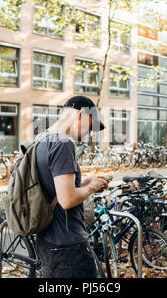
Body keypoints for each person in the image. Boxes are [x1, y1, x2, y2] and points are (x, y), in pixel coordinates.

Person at [34, 96, 108, 278]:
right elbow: (66, 200)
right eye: (91, 126)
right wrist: (92, 188)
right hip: (69, 246)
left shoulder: (42, 138)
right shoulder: (63, 143)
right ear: (82, 114)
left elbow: (53, 189)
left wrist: (83, 183)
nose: (89, 133)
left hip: (46, 243)